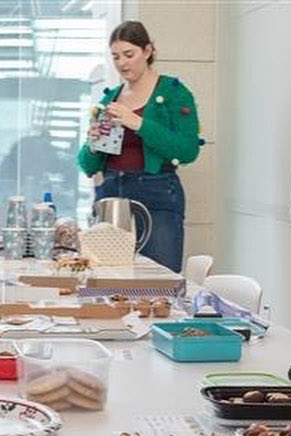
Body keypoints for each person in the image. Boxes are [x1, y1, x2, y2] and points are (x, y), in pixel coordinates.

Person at [77, 20, 202, 272]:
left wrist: (138, 123)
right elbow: (88, 165)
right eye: (115, 57)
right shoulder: (109, 98)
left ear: (148, 51)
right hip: (110, 192)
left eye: (129, 54)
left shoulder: (175, 93)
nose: (122, 63)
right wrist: (92, 145)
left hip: (156, 192)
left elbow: (188, 150)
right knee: (107, 278)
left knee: (158, 280)